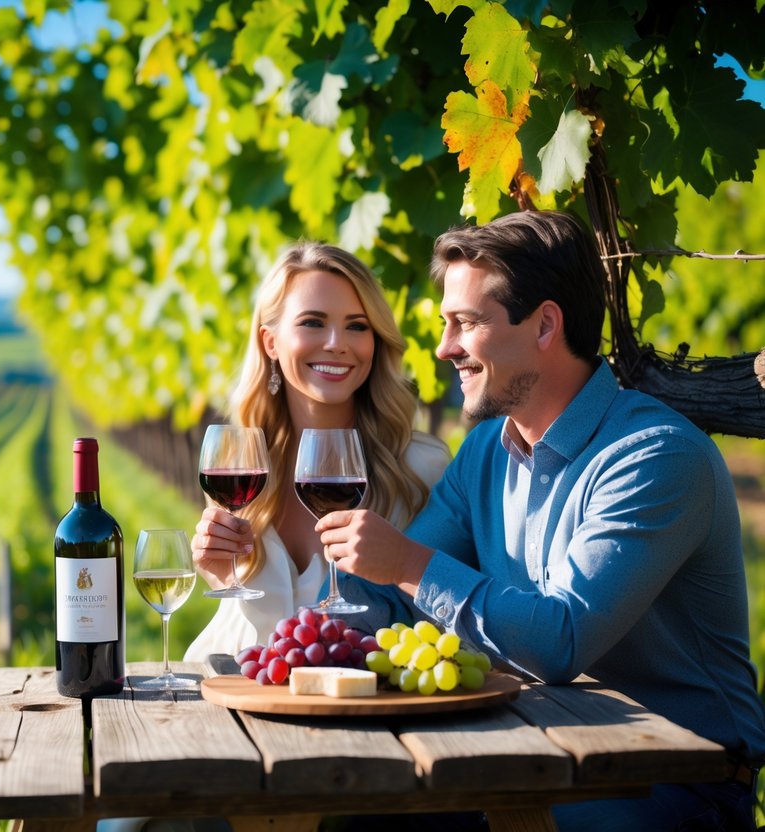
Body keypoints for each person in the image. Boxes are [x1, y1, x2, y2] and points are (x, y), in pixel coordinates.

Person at [322, 210, 765, 830]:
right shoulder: (485, 452)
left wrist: (408, 565)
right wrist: (311, 636)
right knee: (361, 817)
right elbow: (391, 595)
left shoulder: (656, 457)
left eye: (466, 323)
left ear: (545, 325)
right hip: (540, 751)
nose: (446, 348)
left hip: (675, 782)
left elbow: (560, 641)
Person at [184, 241, 451, 661]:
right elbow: (250, 639)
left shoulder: (421, 469)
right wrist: (223, 576)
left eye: (357, 326)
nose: (336, 343)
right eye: (313, 322)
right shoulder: (243, 468)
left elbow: (438, 626)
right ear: (270, 342)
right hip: (233, 704)